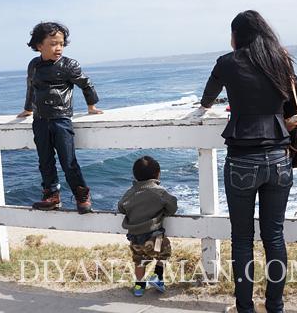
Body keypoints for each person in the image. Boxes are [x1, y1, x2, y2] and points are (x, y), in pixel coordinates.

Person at [200, 10, 297, 313]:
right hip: (278, 158)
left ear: (236, 36)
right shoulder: (279, 58)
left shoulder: (227, 62)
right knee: (274, 236)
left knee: (242, 239)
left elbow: (207, 99)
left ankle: (245, 308)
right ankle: (275, 307)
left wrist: (237, 105)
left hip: (242, 160)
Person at [17, 21, 103, 214]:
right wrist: (28, 109)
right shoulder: (34, 65)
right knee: (45, 161)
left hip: (61, 119)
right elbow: (31, 87)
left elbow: (86, 84)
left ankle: (81, 195)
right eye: (53, 43)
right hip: (39, 120)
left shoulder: (69, 65)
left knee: (68, 161)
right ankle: (51, 196)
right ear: (39, 45)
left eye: (62, 44)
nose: (59, 48)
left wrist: (91, 106)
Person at [117, 156, 178, 297]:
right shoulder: (159, 192)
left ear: (135, 175)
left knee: (139, 261)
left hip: (135, 238)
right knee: (164, 253)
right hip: (154, 236)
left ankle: (139, 286)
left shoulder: (130, 193)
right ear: (158, 174)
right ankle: (157, 278)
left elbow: (121, 207)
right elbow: (172, 206)